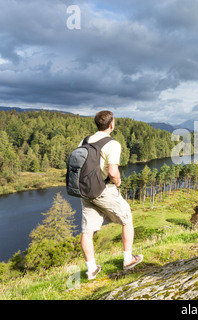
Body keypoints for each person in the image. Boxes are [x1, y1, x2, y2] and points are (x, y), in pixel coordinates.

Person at [80, 110, 143, 280]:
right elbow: (113, 171)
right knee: (127, 218)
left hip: (85, 191)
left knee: (87, 230)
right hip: (103, 189)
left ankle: (91, 269)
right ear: (112, 125)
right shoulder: (112, 143)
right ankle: (128, 259)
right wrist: (117, 182)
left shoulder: (85, 140)